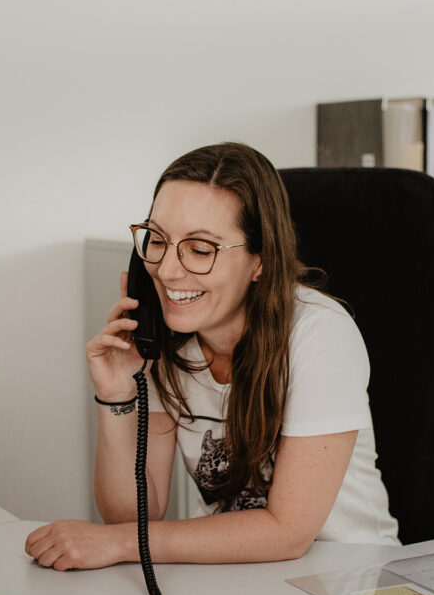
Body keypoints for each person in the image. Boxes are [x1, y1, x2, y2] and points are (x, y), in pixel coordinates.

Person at [25, 142, 399, 571]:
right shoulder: (167, 340)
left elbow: (288, 532)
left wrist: (121, 543)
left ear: (260, 260)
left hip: (352, 583)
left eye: (200, 250)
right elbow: (131, 517)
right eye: (158, 240)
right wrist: (116, 397)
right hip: (236, 579)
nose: (167, 270)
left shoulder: (319, 335)